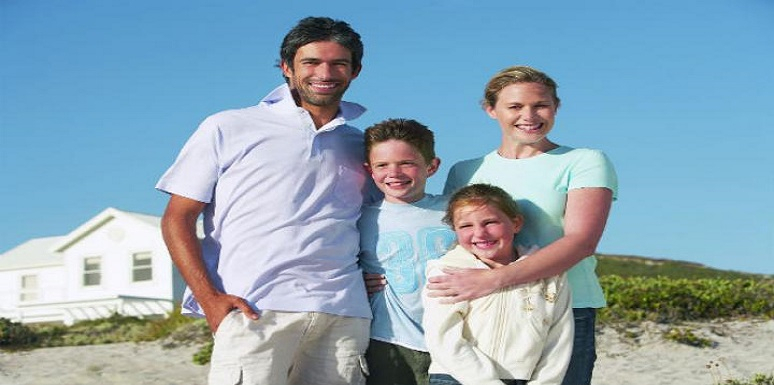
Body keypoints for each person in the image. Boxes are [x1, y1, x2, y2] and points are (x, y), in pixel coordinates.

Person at [156, 16, 372, 385]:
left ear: (355, 71)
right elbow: (177, 218)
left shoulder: (363, 144)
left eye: (339, 63)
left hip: (344, 313)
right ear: (287, 68)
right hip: (255, 308)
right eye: (311, 62)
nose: (326, 72)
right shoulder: (228, 126)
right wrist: (209, 300)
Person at [427, 66, 618, 385]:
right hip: (482, 311)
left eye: (540, 105)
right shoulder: (466, 171)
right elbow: (459, 238)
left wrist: (496, 279)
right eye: (515, 106)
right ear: (491, 110)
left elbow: (581, 242)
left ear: (556, 107)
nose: (529, 115)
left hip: (563, 311)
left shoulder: (584, 161)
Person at [422, 183, 573, 385]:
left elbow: (559, 339)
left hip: (522, 379)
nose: (480, 233)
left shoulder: (550, 276)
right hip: (455, 377)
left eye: (490, 222)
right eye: (466, 226)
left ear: (516, 223)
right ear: (454, 230)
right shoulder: (448, 271)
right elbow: (443, 338)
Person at [358, 118, 457, 385]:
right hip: (391, 341)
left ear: (432, 166)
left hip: (457, 339)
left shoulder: (456, 210)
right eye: (382, 165)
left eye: (406, 163)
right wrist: (355, 282)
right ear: (370, 170)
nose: (394, 172)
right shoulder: (361, 219)